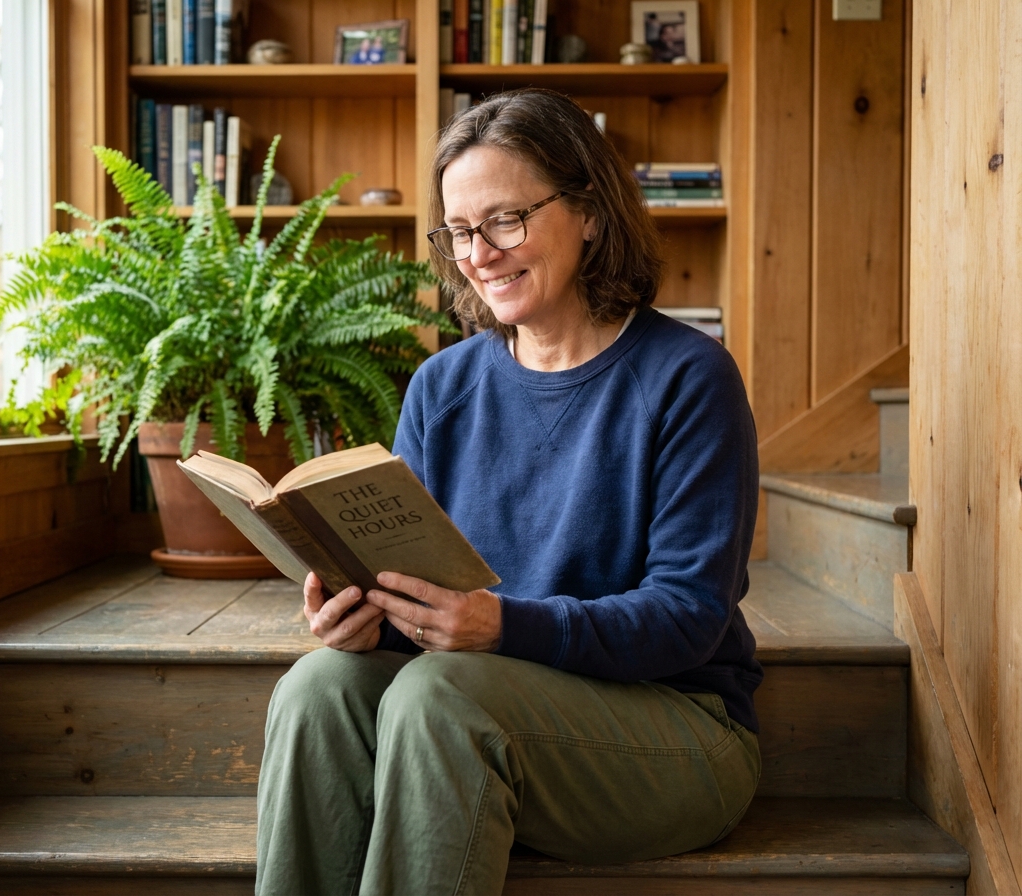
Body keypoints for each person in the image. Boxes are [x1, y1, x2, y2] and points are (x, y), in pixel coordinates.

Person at [255, 88, 762, 896]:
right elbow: (428, 602)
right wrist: (362, 618)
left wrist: (500, 625)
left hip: (674, 725)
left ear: (590, 212)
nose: (479, 254)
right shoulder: (441, 386)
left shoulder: (688, 379)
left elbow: (688, 617)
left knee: (442, 696)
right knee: (318, 688)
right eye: (459, 231)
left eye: (504, 220)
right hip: (474, 700)